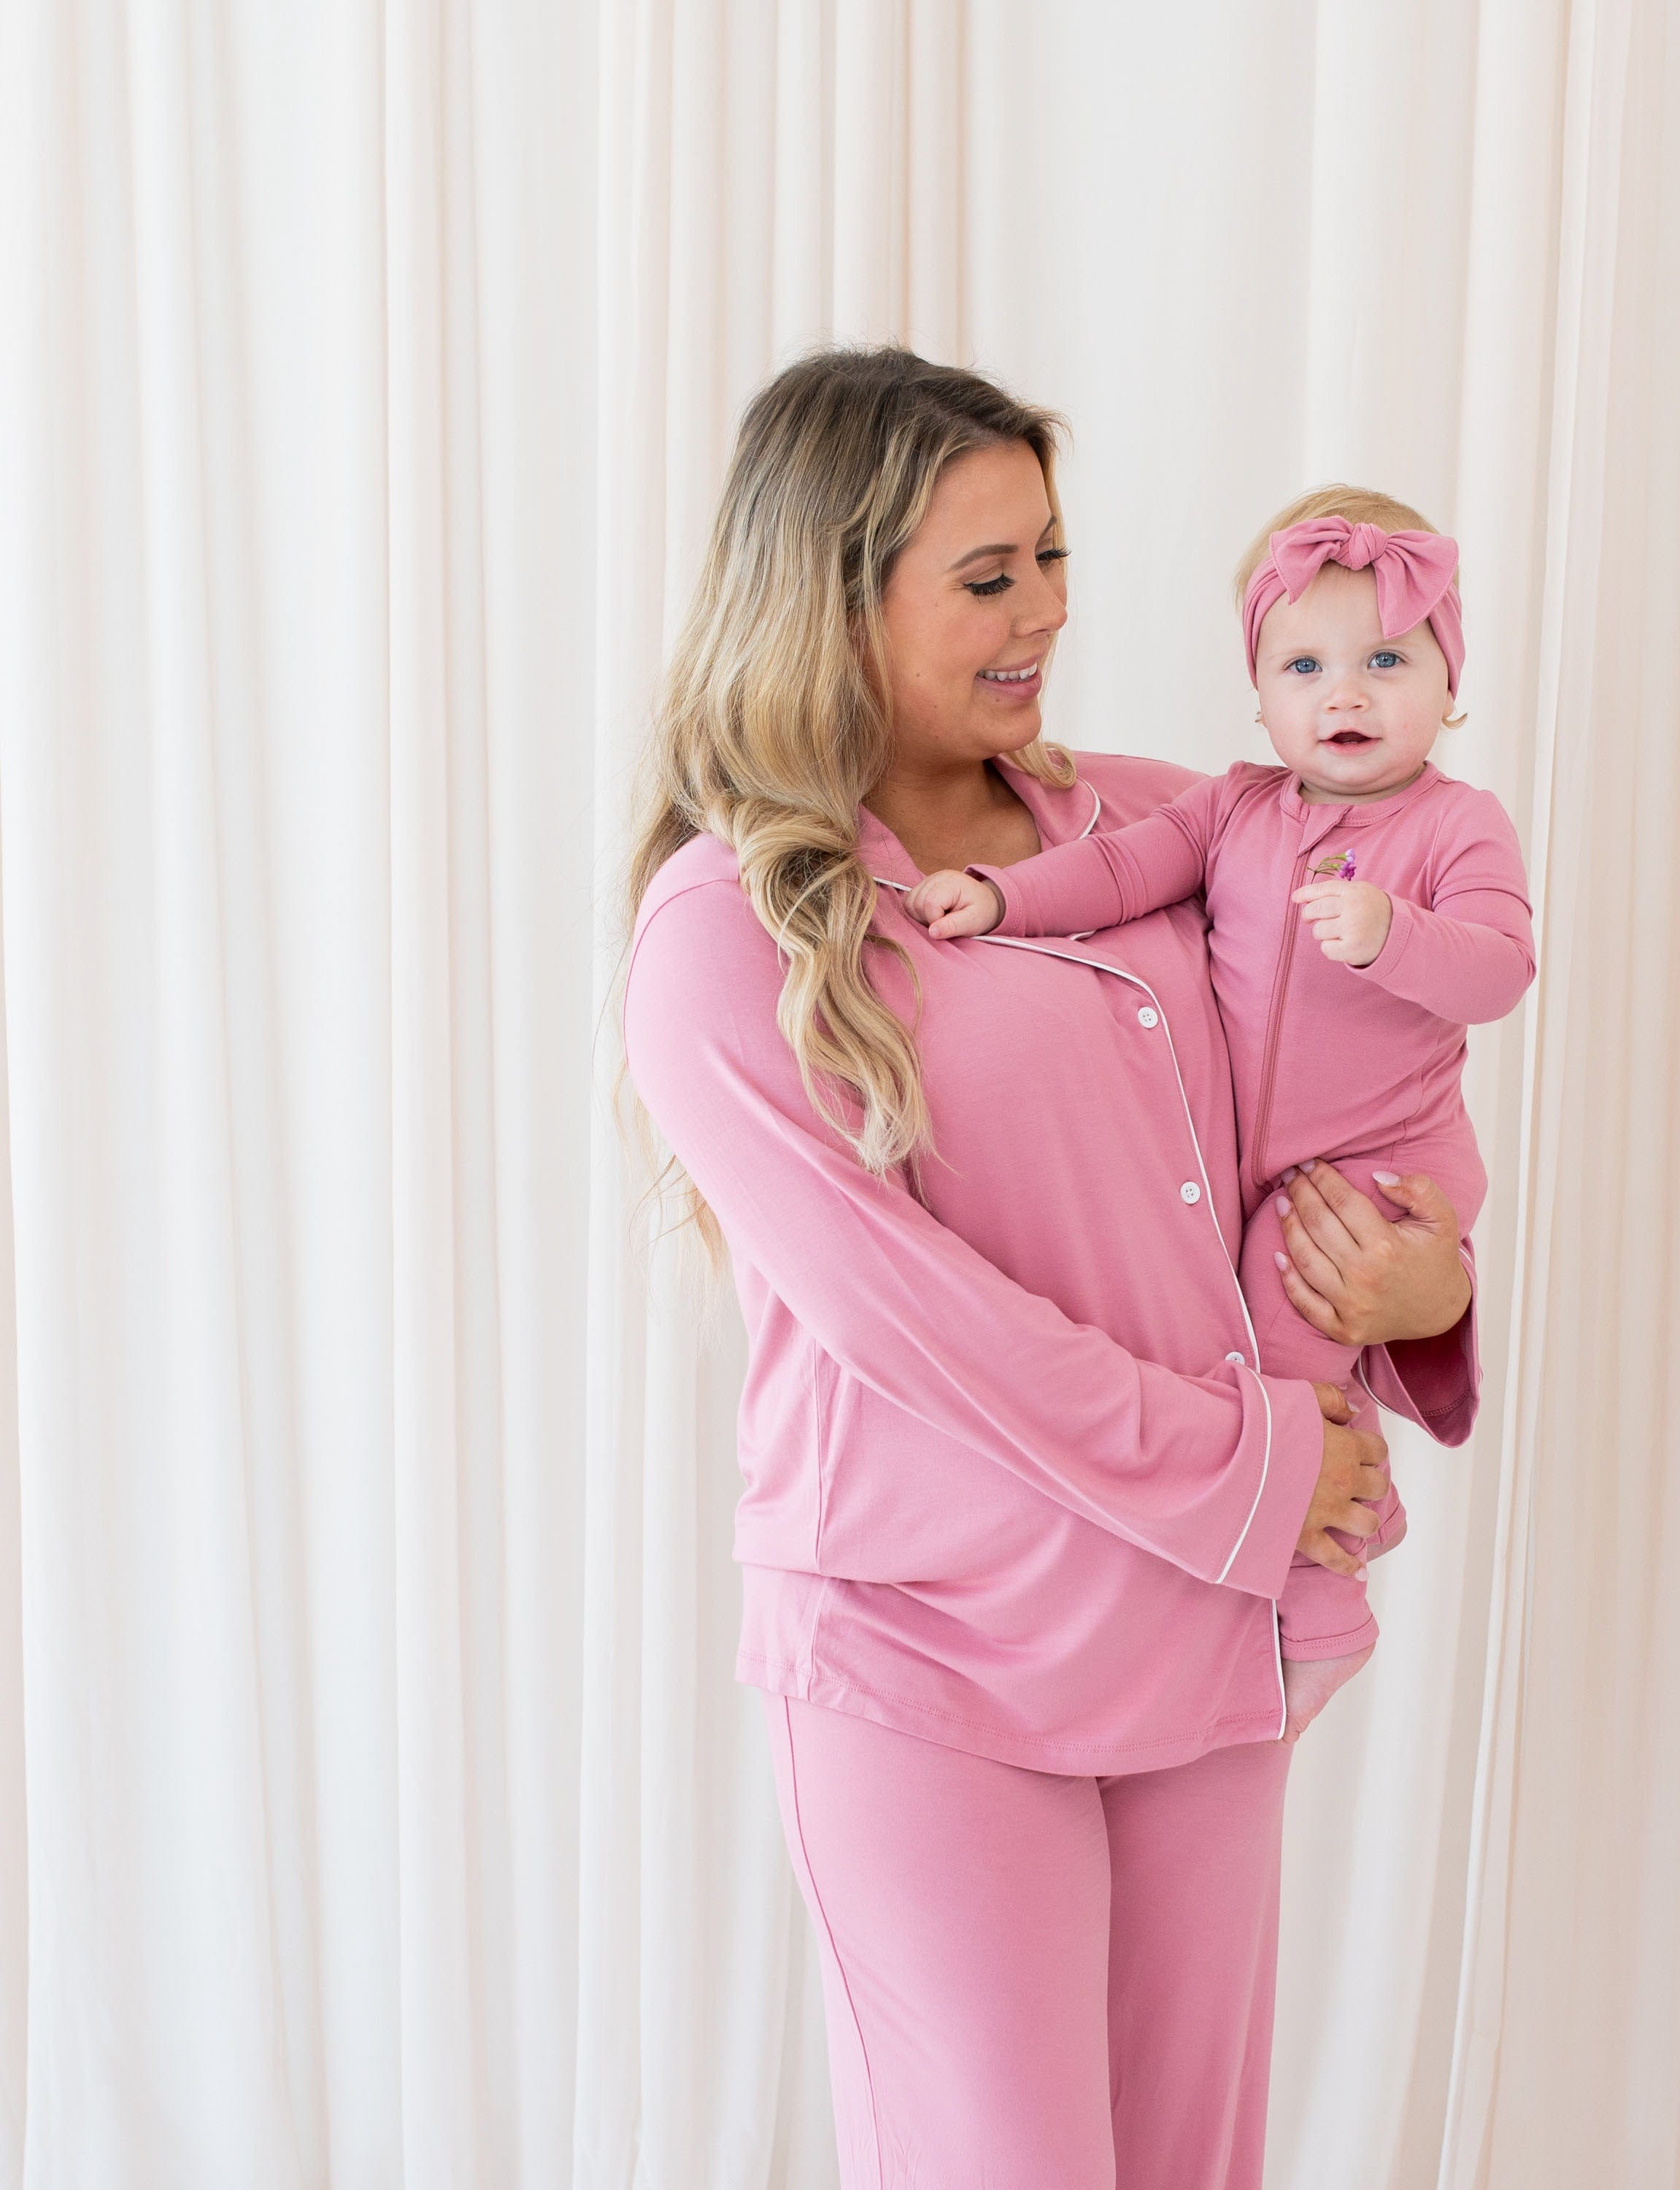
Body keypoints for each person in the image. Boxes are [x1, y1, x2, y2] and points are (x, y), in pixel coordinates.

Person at [617, 345, 1480, 2189]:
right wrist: (1254, 1463)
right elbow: (915, 1326)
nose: (1050, 615)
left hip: (1196, 1626)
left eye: (1056, 557)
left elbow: (1353, 1099)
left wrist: (1428, 1289)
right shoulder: (726, 930)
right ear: (836, 598)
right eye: (989, 576)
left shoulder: (1175, 829)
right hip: (926, 1647)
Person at [907, 488, 1536, 1734]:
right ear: (1258, 694)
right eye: (1306, 667)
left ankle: (1324, 1617)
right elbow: (1120, 869)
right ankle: (1356, 1516)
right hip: (1249, 1164)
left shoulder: (1456, 826)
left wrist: (1395, 934)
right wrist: (1004, 896)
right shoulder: (1235, 807)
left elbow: (1502, 970)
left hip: (1375, 1162)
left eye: (1387, 662)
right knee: (1233, 1349)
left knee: (1288, 1344)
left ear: (1449, 683)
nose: (1346, 695)